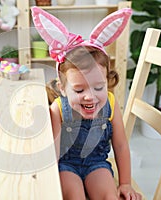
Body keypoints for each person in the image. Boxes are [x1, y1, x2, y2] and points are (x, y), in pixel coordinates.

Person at [31, 7, 142, 200]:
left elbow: (121, 144)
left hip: (96, 163)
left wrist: (125, 183)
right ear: (63, 88)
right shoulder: (57, 109)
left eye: (99, 87)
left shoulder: (111, 103)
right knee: (75, 196)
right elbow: (53, 154)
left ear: (107, 81)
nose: (90, 97)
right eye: (80, 90)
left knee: (110, 196)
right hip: (66, 166)